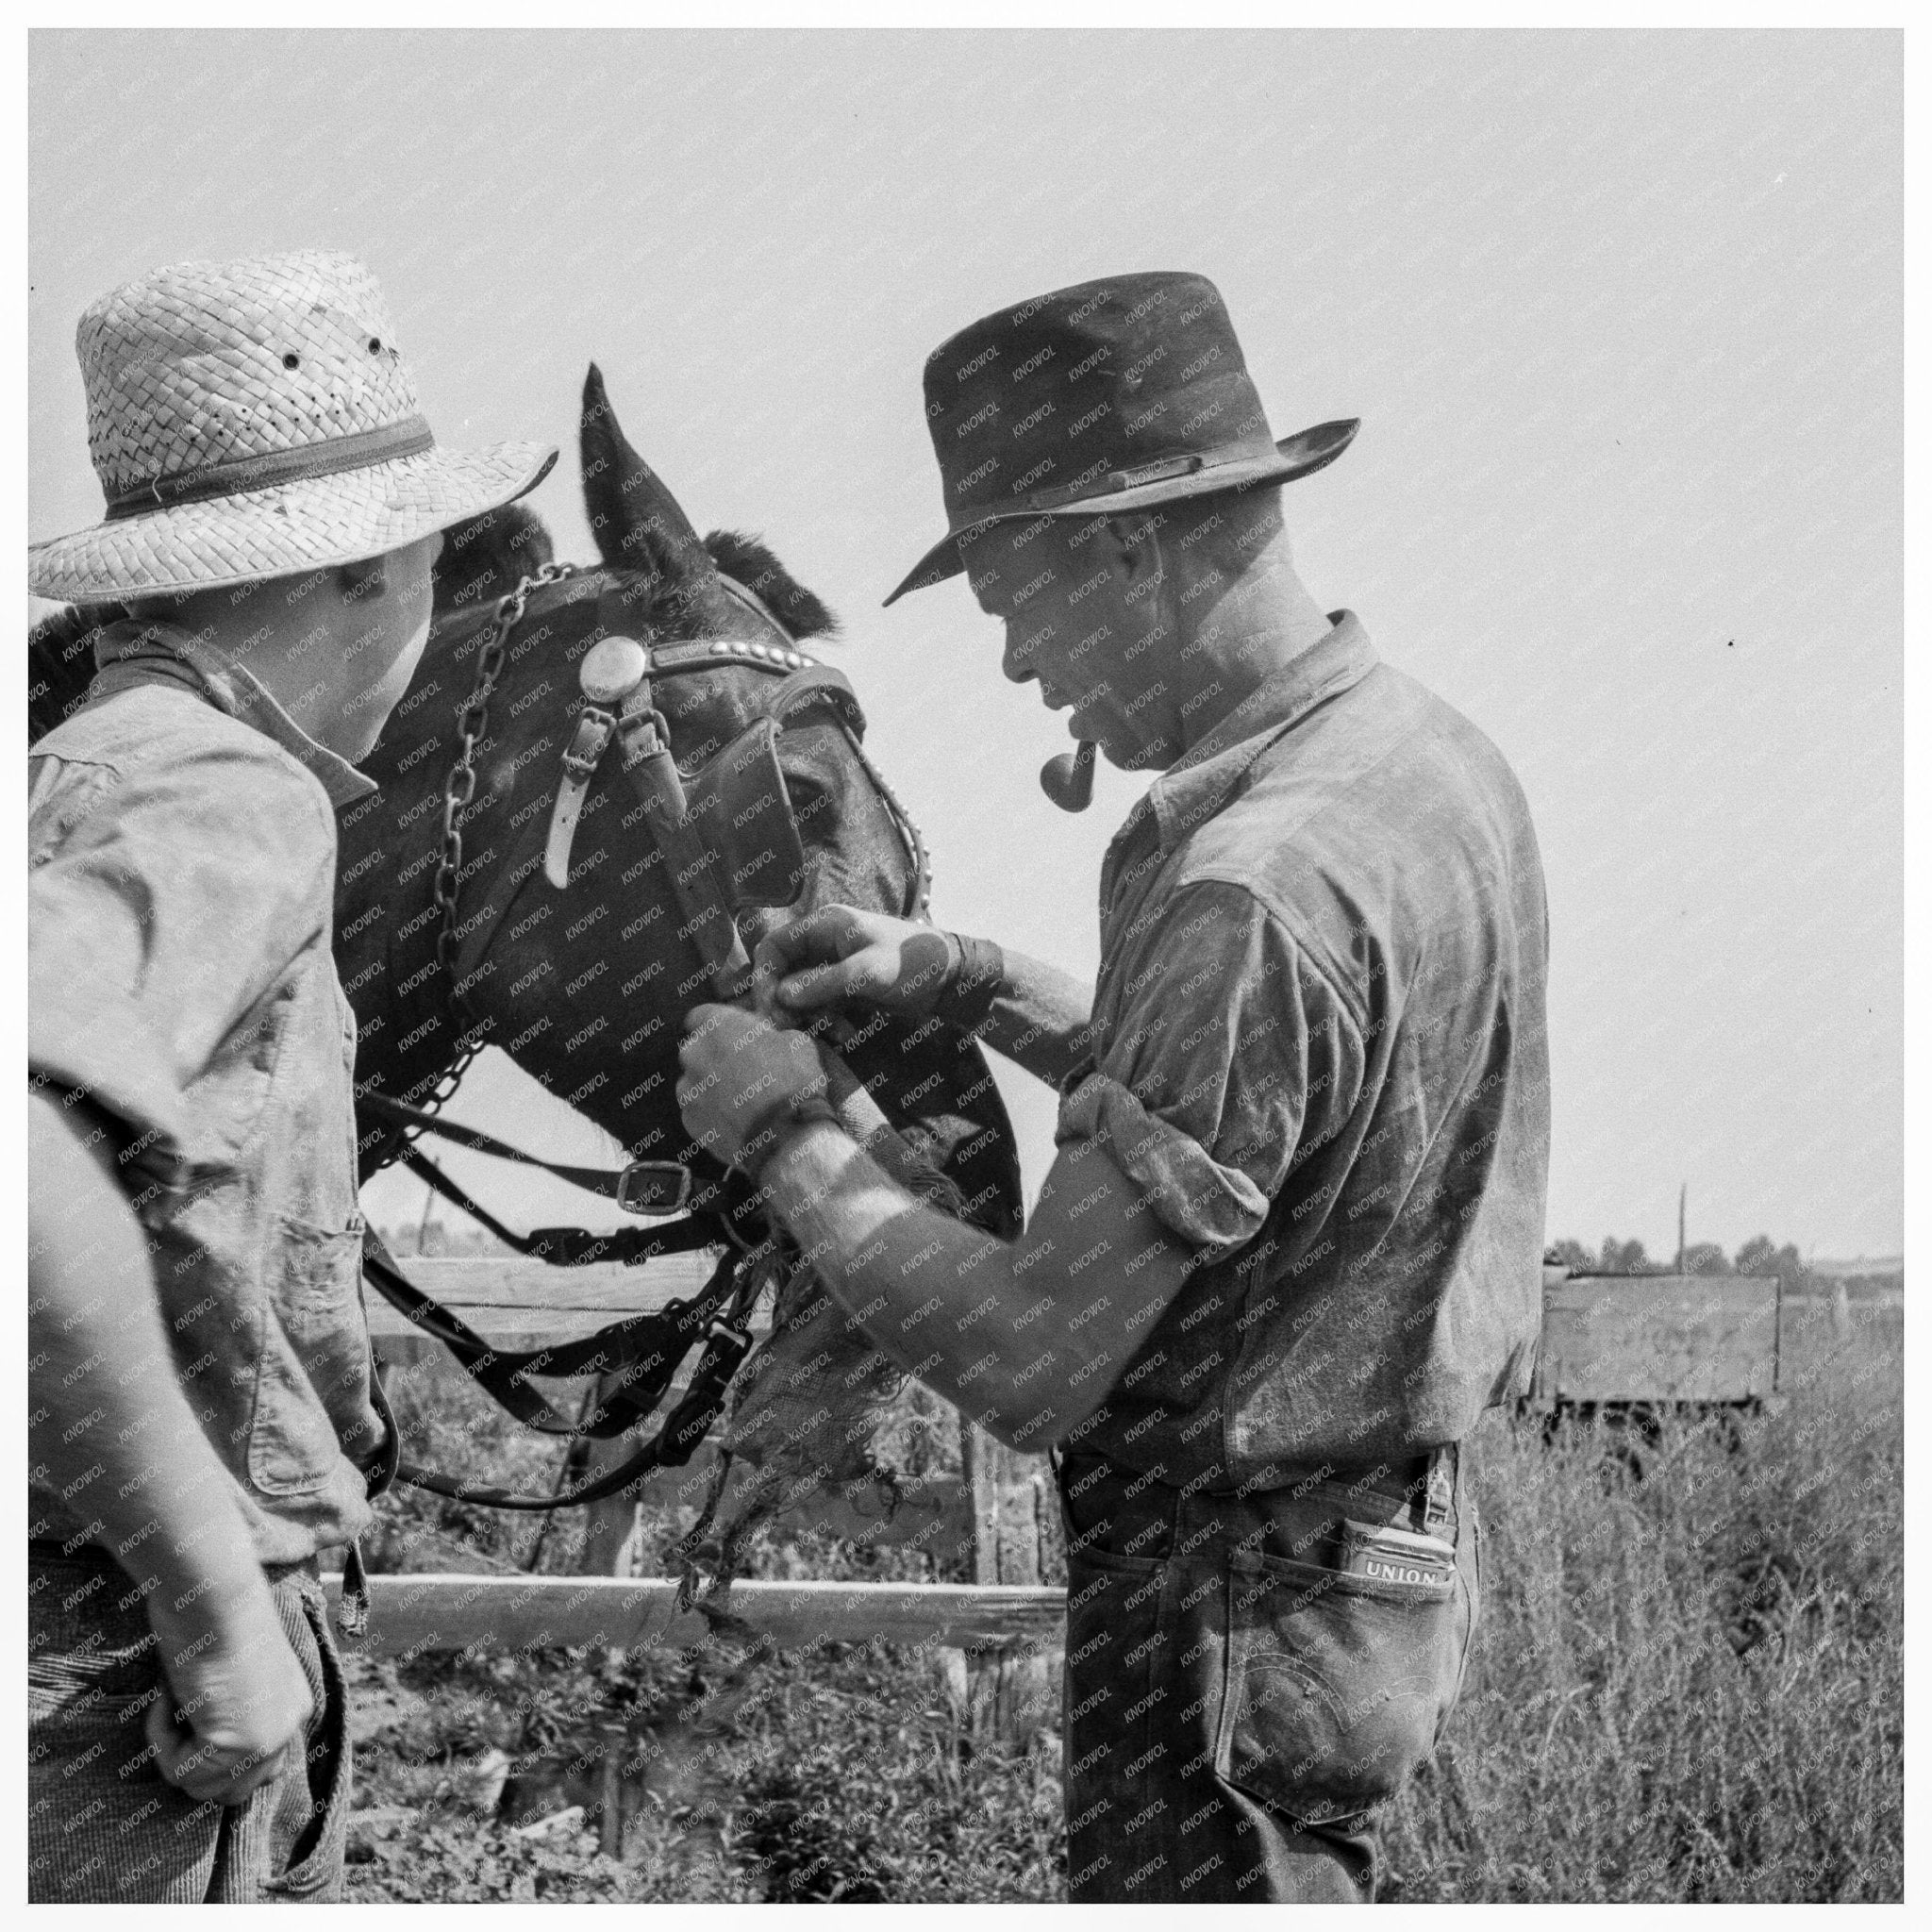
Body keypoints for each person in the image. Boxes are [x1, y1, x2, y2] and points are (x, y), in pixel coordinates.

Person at [677, 271, 1550, 1904]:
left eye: (1013, 595)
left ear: (1129, 546)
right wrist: (962, 974)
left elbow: (1029, 1360)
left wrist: (788, 1130)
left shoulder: (1254, 886)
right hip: (1338, 1597)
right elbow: (1259, 1111)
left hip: (1220, 1621)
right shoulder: (1417, 767)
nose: (1012, 661)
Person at [27, 249, 556, 1903]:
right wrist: (215, 1611)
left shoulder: (70, 773)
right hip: (121, 1676)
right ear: (373, 565)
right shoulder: (239, 792)